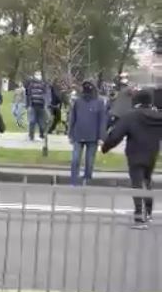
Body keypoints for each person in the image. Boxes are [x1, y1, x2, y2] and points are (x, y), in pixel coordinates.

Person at [102, 89, 162, 229]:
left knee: (137, 184)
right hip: (151, 154)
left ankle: (139, 217)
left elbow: (116, 135)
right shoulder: (158, 117)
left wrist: (105, 147)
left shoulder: (131, 116)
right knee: (147, 181)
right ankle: (148, 212)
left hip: (135, 153)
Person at [67, 79, 107, 186]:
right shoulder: (78, 101)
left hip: (93, 136)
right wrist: (70, 134)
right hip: (78, 134)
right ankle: (74, 180)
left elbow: (102, 120)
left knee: (89, 161)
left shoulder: (99, 102)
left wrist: (101, 137)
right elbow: (73, 118)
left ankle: (87, 178)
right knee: (75, 159)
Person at [26, 71, 49, 141]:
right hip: (33, 105)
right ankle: (31, 136)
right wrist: (28, 105)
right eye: (37, 75)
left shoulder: (43, 84)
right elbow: (28, 95)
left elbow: (46, 94)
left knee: (41, 121)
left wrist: (46, 104)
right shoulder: (31, 85)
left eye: (39, 75)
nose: (38, 76)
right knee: (32, 121)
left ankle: (41, 135)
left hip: (41, 105)